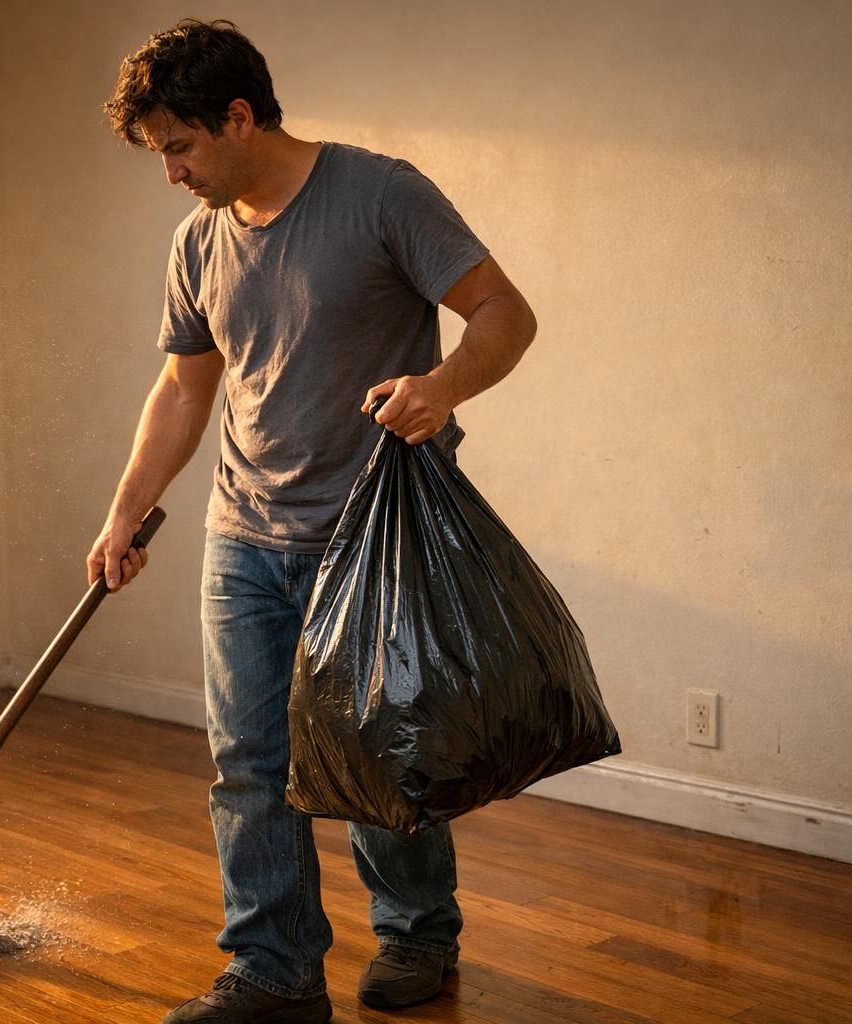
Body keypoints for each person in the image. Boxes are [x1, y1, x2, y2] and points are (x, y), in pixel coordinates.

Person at [86, 19, 538, 1024]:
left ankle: (418, 932)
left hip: (371, 533)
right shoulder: (199, 240)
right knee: (247, 763)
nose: (170, 172)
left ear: (239, 118)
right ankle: (275, 975)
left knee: (382, 754)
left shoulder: (381, 194)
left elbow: (505, 311)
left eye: (179, 146)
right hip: (243, 537)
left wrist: (444, 385)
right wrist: (125, 513)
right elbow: (182, 390)